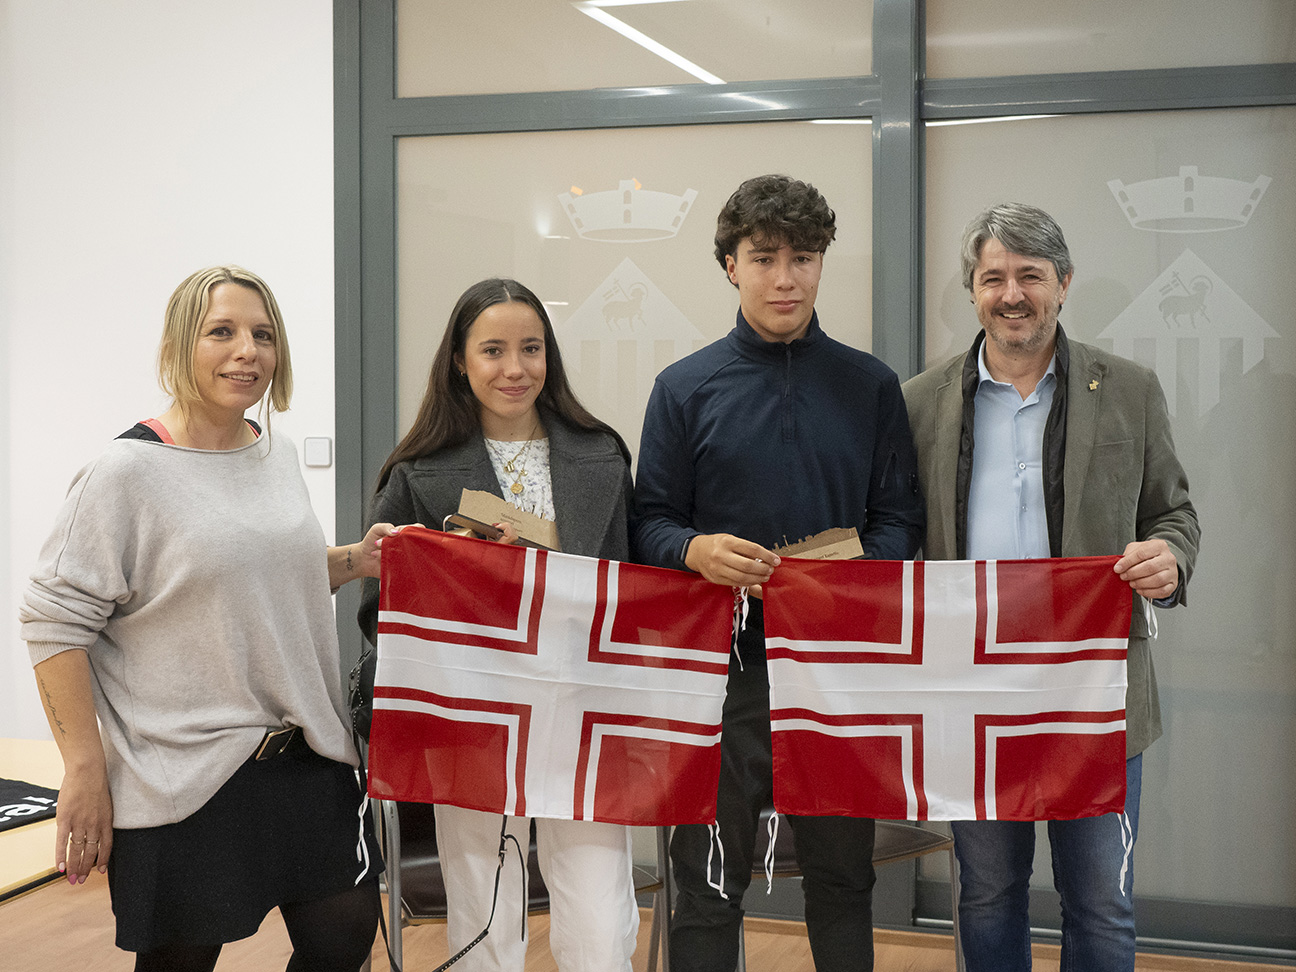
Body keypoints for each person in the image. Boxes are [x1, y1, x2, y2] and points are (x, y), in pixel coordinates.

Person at [20, 266, 397, 972]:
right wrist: (84, 770)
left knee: (343, 942)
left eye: (263, 335)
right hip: (185, 778)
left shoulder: (273, 450)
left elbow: (255, 576)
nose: (247, 351)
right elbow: (53, 621)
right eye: (221, 332)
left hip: (306, 757)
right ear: (178, 346)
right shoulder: (124, 472)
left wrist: (355, 559)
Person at [632, 174, 925, 972]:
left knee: (843, 880)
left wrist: (856, 572)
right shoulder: (683, 389)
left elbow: (902, 520)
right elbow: (648, 522)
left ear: (823, 262)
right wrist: (694, 551)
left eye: (803, 257)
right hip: (719, 676)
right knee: (706, 884)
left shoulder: (870, 386)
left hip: (838, 672)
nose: (785, 278)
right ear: (731, 265)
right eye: (764, 258)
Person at [901, 202, 1201, 970]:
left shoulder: (1129, 390)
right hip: (973, 692)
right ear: (972, 290)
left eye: (1030, 275)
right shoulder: (920, 401)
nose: (1012, 294)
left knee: (1101, 901)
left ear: (1063, 283)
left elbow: (1173, 513)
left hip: (1095, 691)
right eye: (993, 277)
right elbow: (896, 536)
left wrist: (1169, 558)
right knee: (987, 894)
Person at [357, 277, 638, 972]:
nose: (515, 368)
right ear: (459, 360)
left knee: (601, 920)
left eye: (531, 349)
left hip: (584, 710)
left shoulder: (602, 454)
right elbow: (380, 612)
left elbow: (632, 590)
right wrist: (457, 581)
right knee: (482, 915)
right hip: (474, 715)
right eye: (493, 350)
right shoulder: (416, 472)